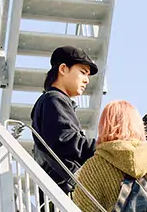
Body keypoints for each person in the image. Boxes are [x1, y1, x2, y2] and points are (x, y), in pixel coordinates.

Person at [30, 45, 99, 193]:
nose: (87, 80)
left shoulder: (55, 101)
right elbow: (68, 142)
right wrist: (106, 146)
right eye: (83, 72)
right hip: (65, 191)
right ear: (63, 69)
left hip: (62, 190)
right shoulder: (53, 99)